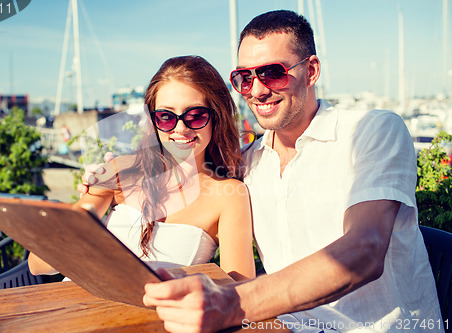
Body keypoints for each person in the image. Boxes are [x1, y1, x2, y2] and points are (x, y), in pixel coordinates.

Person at [137, 10, 443, 333]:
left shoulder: (372, 132)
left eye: (272, 73)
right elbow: (189, 178)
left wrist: (231, 303)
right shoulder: (248, 163)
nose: (256, 91)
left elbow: (364, 250)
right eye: (244, 77)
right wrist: (120, 174)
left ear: (311, 71)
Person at [28, 55, 255, 282]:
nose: (180, 128)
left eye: (195, 116)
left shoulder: (228, 195)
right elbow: (38, 264)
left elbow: (239, 288)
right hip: (77, 303)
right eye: (166, 117)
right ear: (153, 120)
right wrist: (85, 226)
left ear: (217, 117)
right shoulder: (121, 170)